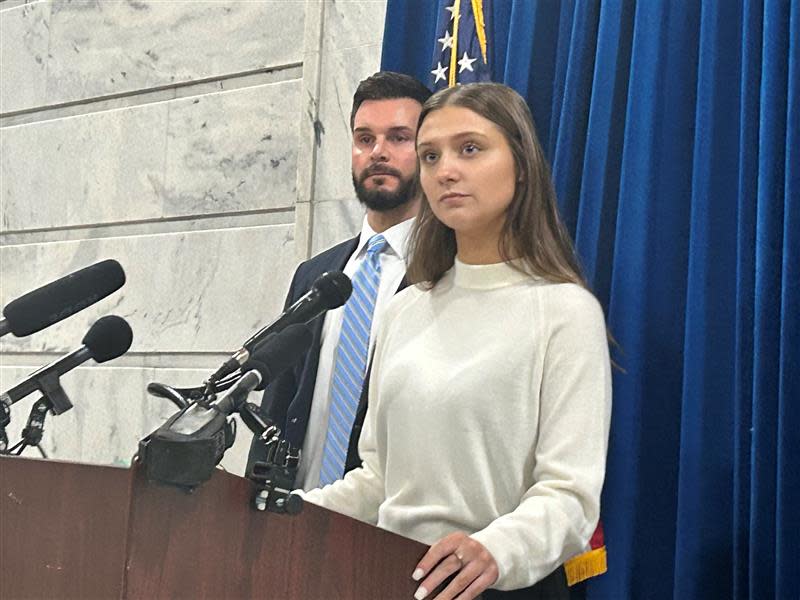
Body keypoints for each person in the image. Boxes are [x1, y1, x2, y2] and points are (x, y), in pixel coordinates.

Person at [304, 82, 612, 599]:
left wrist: (496, 550)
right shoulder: (405, 309)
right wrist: (283, 513)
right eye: (430, 155)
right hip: (387, 578)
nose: (445, 170)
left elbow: (570, 496)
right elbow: (379, 477)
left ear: (520, 162)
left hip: (495, 587)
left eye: (470, 149)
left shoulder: (564, 311)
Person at [248, 72, 432, 491]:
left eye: (399, 137)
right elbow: (278, 404)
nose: (378, 152)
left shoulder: (447, 270)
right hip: (296, 518)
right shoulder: (316, 275)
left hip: (387, 531)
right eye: (365, 139)